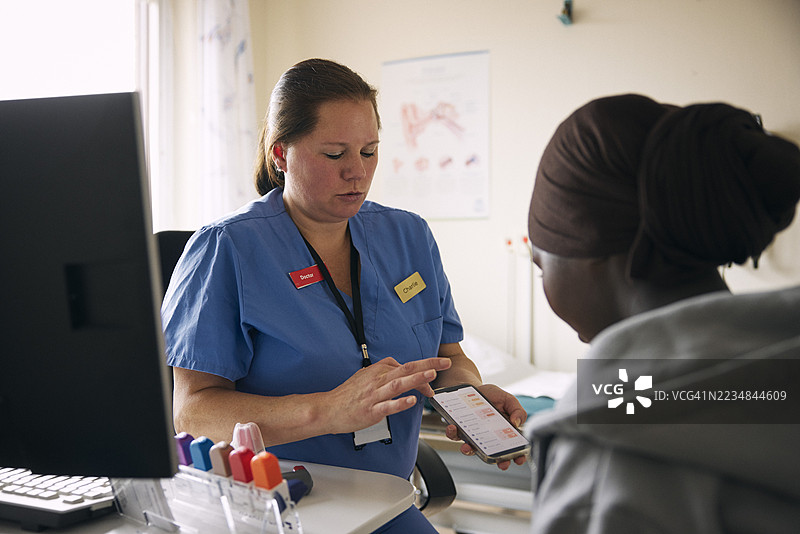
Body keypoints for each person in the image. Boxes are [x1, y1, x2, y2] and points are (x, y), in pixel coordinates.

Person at [161, 58, 527, 533]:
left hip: (385, 500)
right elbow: (193, 412)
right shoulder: (227, 249)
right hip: (281, 505)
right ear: (280, 153)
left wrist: (468, 396)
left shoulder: (408, 236)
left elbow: (448, 358)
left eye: (369, 151)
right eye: (334, 155)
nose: (357, 172)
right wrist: (326, 411)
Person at [525, 94, 800, 533]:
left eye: (539, 263)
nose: (540, 276)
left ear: (590, 249)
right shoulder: (778, 364)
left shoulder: (614, 443)